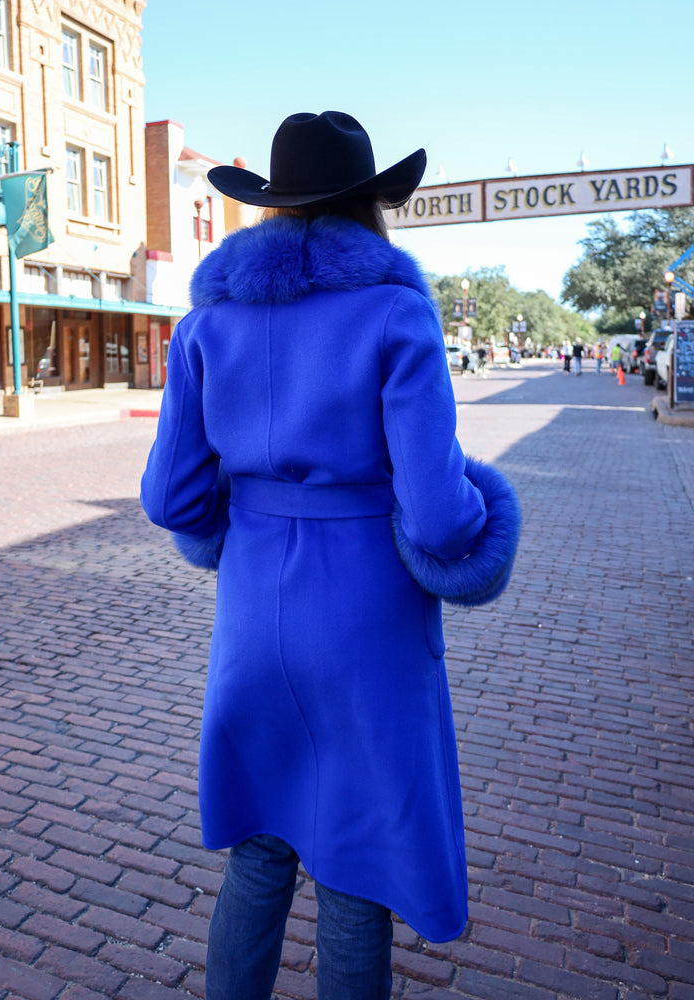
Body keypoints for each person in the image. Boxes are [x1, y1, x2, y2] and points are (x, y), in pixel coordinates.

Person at [140, 111, 521, 1000]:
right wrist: (488, 510)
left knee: (260, 853)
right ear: (369, 204)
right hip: (366, 625)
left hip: (250, 620)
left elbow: (171, 499)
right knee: (358, 868)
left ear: (272, 206)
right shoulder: (396, 312)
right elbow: (436, 517)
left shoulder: (207, 325)